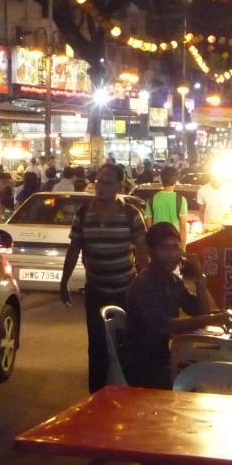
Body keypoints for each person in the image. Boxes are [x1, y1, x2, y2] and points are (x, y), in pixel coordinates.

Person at [60, 162, 149, 392]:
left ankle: (127, 393)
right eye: (99, 182)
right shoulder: (83, 214)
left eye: (108, 183)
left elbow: (142, 253)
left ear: (120, 186)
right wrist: (64, 281)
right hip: (96, 291)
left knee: (126, 344)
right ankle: (97, 395)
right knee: (97, 346)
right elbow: (74, 249)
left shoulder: (131, 214)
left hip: (126, 290)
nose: (101, 187)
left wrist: (144, 286)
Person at [122, 223, 230, 387]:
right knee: (206, 379)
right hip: (143, 364)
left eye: (175, 247)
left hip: (165, 356)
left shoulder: (173, 281)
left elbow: (200, 312)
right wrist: (209, 319)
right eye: (164, 248)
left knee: (217, 368)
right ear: (150, 252)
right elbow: (164, 324)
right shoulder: (143, 284)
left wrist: (199, 277)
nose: (172, 254)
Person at [144, 165, 188, 240]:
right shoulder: (181, 200)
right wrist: (183, 246)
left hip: (157, 241)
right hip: (173, 241)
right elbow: (183, 227)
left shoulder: (152, 199)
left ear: (161, 179)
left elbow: (149, 226)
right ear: (176, 181)